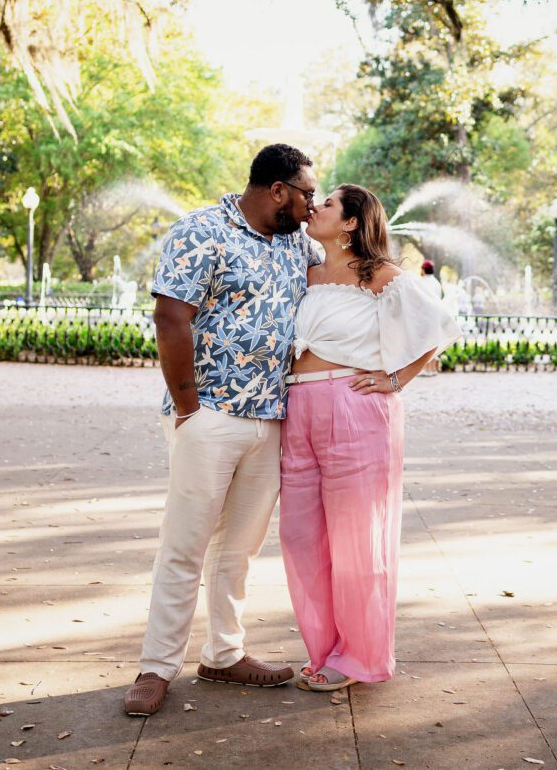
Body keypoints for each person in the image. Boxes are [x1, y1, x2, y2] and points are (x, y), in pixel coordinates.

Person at [123, 144, 321, 717]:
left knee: (239, 549)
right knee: (185, 544)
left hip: (271, 418)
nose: (312, 205)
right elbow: (170, 316)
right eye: (307, 193)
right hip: (208, 414)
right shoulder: (202, 230)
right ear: (278, 190)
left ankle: (224, 653)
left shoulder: (297, 244)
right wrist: (189, 405)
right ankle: (157, 666)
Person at [279, 184, 460, 692]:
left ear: (353, 222)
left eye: (329, 204)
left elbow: (437, 328)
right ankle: (325, 650)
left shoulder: (379, 275)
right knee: (301, 540)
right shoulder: (309, 273)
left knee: (359, 542)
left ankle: (359, 658)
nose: (315, 207)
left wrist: (396, 379)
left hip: (355, 409)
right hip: (299, 409)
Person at [417, 260, 444, 376]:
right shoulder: (437, 283)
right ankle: (432, 369)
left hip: (424, 316)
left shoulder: (421, 282)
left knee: (424, 344)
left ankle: (425, 369)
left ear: (423, 270)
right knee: (433, 342)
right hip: (436, 316)